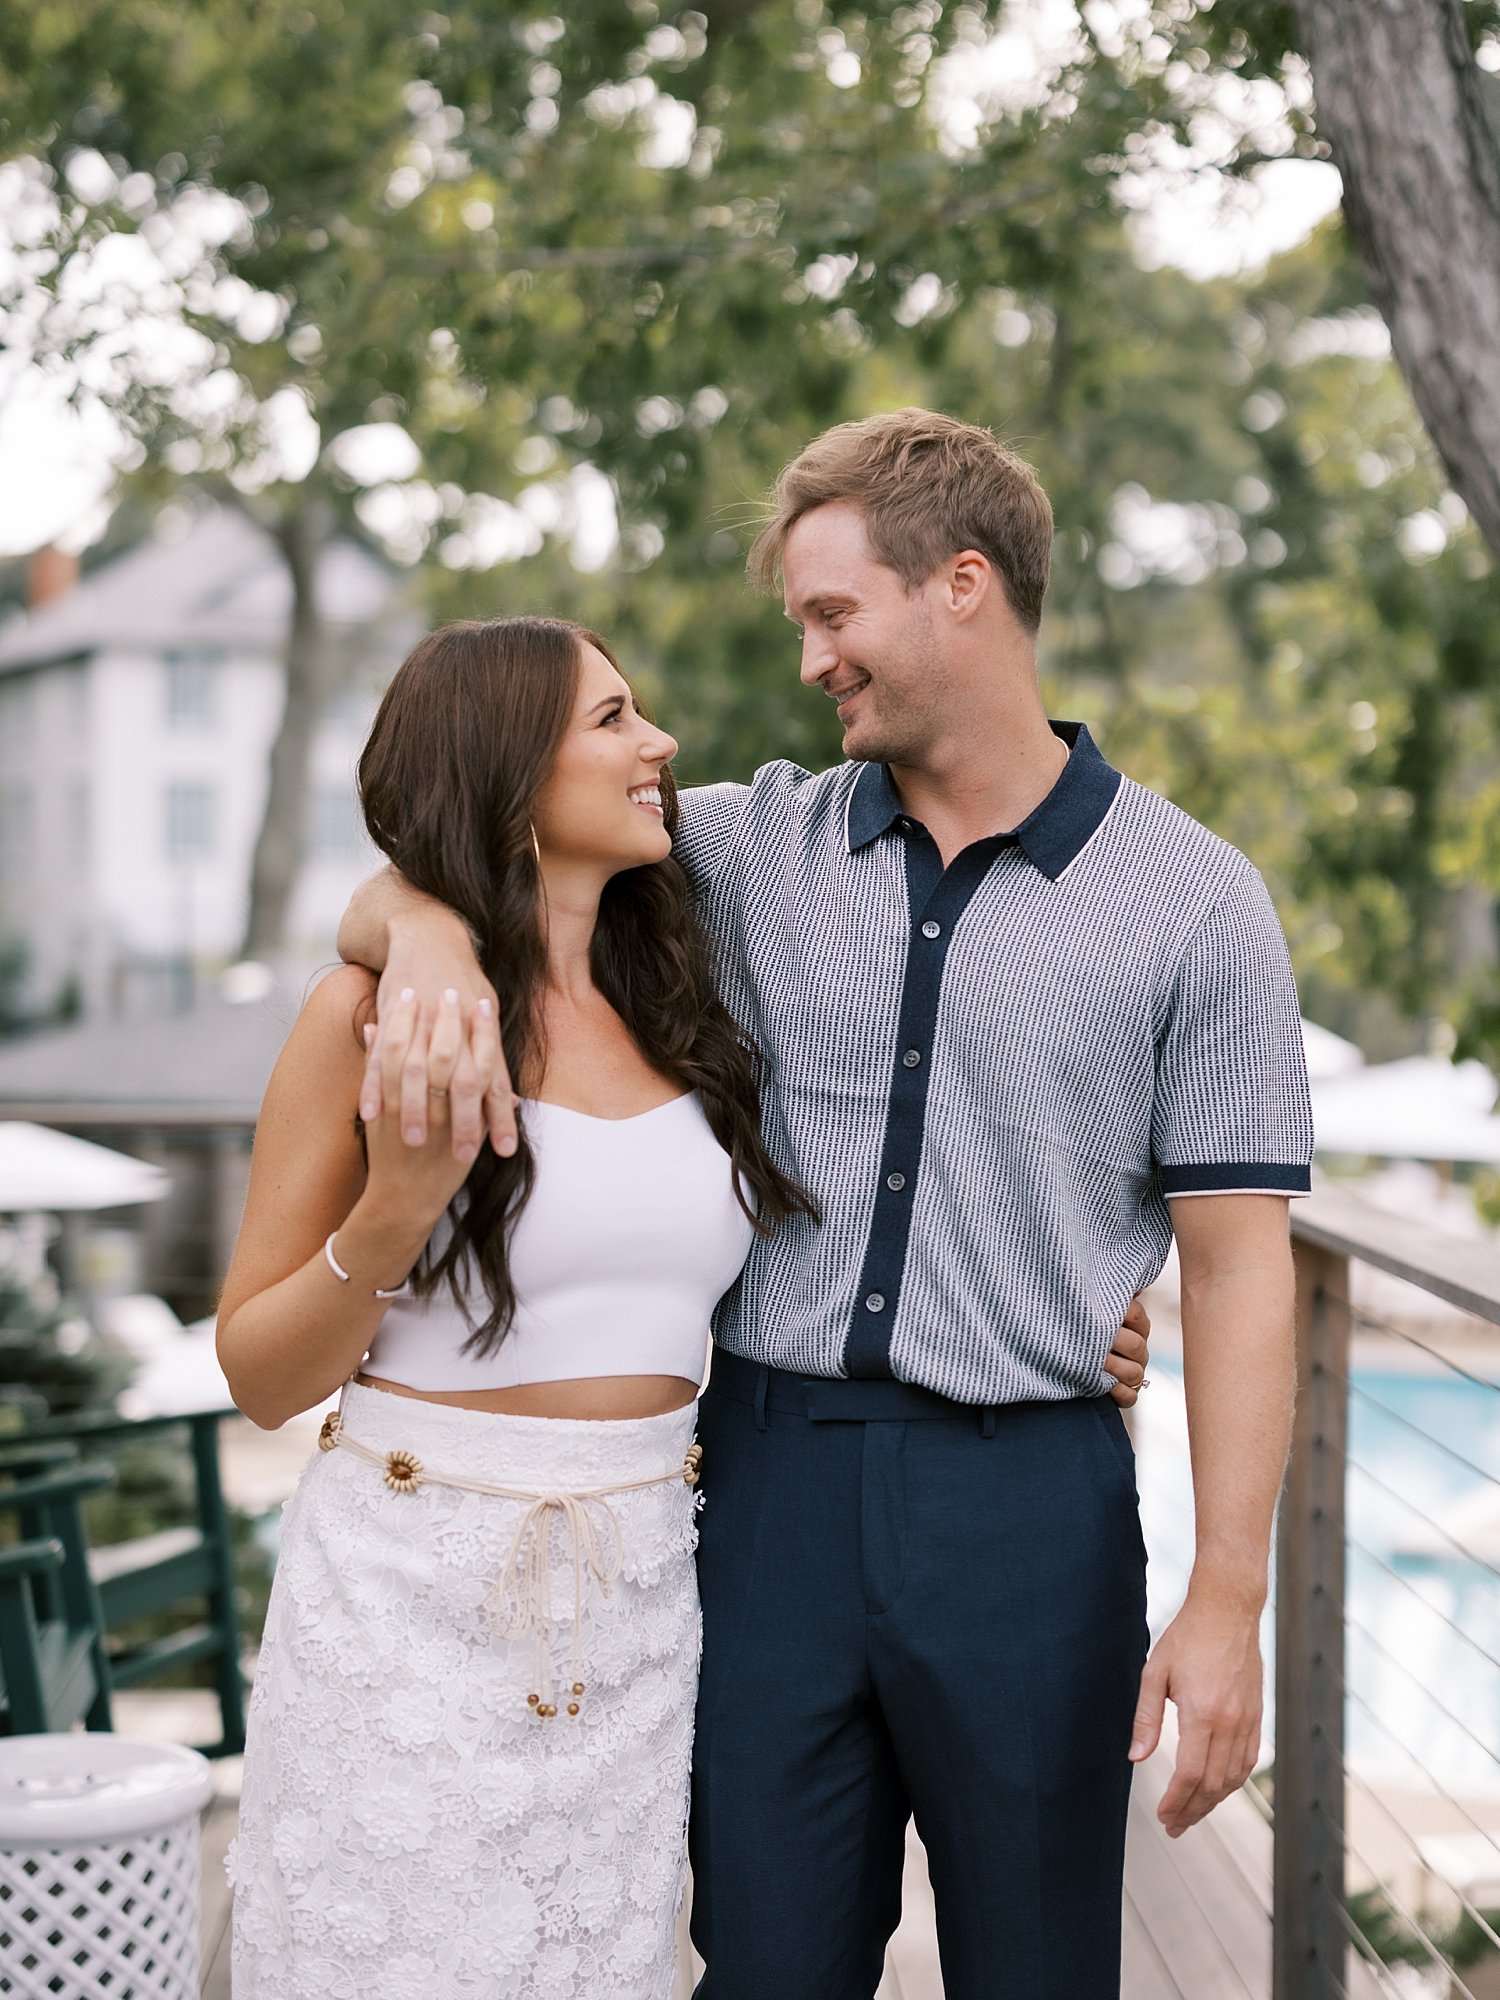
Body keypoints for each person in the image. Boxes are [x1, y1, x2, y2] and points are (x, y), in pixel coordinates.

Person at [340, 413, 1282, 2000]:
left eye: (833, 615)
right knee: (767, 1969)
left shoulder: (1199, 903)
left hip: (1031, 1508)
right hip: (763, 1491)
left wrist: (1230, 1597)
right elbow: (470, 840)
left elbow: (1243, 1266)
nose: (809, 660)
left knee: (1041, 1974)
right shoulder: (731, 844)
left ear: (961, 587)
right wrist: (423, 934)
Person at [218, 607, 1156, 2000]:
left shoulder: (682, 986)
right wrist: (396, 1208)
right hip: (410, 1597)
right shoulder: (366, 1017)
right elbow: (259, 1373)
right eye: (610, 722)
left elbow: (880, 1163)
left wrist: (1045, 1310)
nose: (657, 743)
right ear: (504, 770)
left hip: (642, 1608)